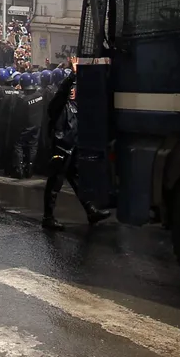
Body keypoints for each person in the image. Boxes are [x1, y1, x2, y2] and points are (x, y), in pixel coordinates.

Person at [41, 61, 111, 231]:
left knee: (79, 181)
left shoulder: (75, 104)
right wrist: (72, 74)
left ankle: (90, 210)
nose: (72, 90)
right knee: (55, 183)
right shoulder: (57, 105)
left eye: (74, 87)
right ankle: (48, 217)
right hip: (61, 148)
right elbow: (62, 94)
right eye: (70, 87)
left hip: (73, 147)